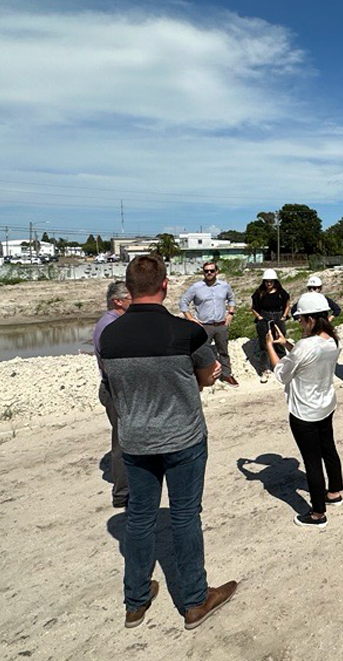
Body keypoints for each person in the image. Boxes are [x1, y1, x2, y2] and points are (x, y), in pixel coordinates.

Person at [98, 255, 236, 630]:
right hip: (184, 439)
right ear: (165, 285)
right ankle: (194, 601)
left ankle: (136, 601)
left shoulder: (108, 335)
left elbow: (109, 388)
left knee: (139, 518)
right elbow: (207, 376)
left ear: (128, 289)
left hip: (137, 443)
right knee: (185, 515)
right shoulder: (186, 332)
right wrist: (203, 377)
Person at [263, 291, 343, 528]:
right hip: (325, 404)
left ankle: (318, 513)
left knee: (312, 461)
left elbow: (281, 373)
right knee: (329, 449)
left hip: (304, 413)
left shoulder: (304, 346)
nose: (299, 323)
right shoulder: (332, 340)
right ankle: (334, 492)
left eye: (300, 319)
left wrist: (270, 347)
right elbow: (306, 356)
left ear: (310, 319)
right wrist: (286, 344)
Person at [93, 280, 131, 508]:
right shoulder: (109, 327)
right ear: (118, 301)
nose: (135, 301)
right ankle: (122, 493)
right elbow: (112, 367)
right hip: (115, 390)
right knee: (122, 442)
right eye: (131, 297)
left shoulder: (117, 322)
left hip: (117, 388)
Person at [179, 262, 239, 385]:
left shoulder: (224, 286)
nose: (209, 273)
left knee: (223, 351)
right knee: (200, 352)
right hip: (203, 326)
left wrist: (230, 314)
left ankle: (226, 375)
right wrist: (191, 318)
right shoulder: (196, 287)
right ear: (203, 272)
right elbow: (183, 303)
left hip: (221, 325)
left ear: (217, 271)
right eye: (206, 271)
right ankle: (202, 378)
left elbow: (232, 299)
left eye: (212, 270)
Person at [251, 269, 291, 383]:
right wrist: (259, 317)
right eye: (266, 281)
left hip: (278, 317)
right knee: (264, 345)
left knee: (279, 342)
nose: (269, 284)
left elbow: (287, 304)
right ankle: (265, 370)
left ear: (275, 282)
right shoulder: (259, 293)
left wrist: (284, 316)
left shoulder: (280, 293)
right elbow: (253, 307)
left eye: (271, 281)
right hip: (264, 317)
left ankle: (283, 368)